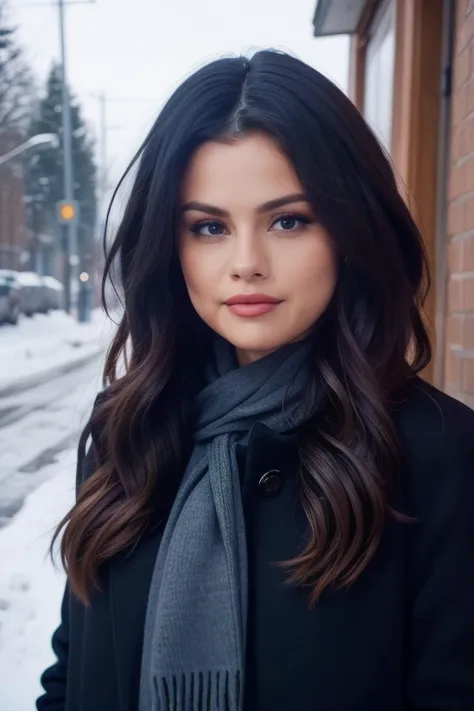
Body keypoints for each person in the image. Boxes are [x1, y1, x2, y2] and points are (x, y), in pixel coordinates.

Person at [37, 50, 474, 711]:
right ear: (170, 242)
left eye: (288, 220)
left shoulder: (437, 452)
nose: (246, 263)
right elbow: (71, 676)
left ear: (349, 231)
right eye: (209, 227)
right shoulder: (130, 427)